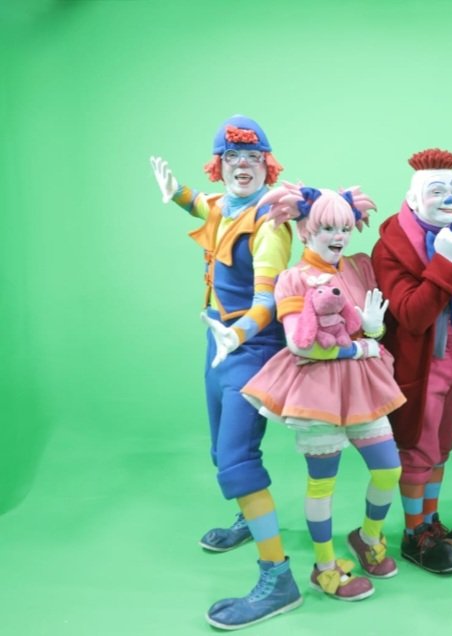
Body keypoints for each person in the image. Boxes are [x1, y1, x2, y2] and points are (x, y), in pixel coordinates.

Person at [149, 115, 300, 629]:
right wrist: (175, 193)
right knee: (220, 450)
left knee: (236, 460)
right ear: (220, 164)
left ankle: (278, 578)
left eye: (253, 158)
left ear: (267, 165)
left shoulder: (270, 224)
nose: (242, 166)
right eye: (233, 157)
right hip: (218, 342)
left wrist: (240, 333)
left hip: (249, 348)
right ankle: (250, 518)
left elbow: (268, 300)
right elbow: (204, 205)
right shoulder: (223, 204)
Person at [242, 183, 405, 601]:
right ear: (305, 231)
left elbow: (370, 328)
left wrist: (373, 330)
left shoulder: (358, 268)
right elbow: (300, 344)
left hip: (363, 388)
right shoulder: (293, 279)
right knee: (322, 483)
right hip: (317, 391)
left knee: (388, 469)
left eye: (345, 228)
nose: (339, 236)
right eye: (329, 228)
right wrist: (360, 347)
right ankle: (325, 566)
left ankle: (368, 537)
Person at [371, 149, 452, 574]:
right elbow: (413, 315)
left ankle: (432, 521)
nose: (449, 198)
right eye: (437, 191)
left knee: (441, 448)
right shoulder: (391, 248)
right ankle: (413, 532)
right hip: (419, 363)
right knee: (417, 448)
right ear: (413, 198)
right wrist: (443, 263)